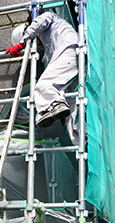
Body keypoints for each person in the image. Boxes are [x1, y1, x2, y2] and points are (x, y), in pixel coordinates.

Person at [5, 10, 78, 140]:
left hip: (69, 50)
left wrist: (22, 43)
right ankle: (81, 140)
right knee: (73, 107)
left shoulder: (49, 18)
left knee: (44, 85)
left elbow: (40, 21)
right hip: (74, 60)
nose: (36, 45)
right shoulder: (50, 43)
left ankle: (55, 105)